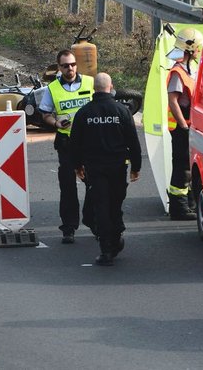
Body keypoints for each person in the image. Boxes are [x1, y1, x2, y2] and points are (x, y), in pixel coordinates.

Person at [69, 73, 143, 266]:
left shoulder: (84, 112)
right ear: (111, 87)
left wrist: (77, 166)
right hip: (118, 167)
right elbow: (133, 142)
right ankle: (116, 238)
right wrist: (136, 167)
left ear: (94, 89)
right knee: (115, 205)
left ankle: (106, 250)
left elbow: (74, 143)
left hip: (96, 169)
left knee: (101, 207)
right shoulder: (122, 111)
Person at [39, 49, 93, 243]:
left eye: (72, 64)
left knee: (93, 183)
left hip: (89, 142)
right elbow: (45, 114)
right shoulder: (52, 88)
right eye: (65, 66)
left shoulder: (89, 82)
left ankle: (93, 222)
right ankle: (69, 228)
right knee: (68, 186)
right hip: (66, 143)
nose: (70, 68)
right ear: (59, 68)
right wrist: (55, 122)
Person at [165, 27, 203, 220]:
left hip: (190, 125)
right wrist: (183, 126)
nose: (199, 51)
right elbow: (173, 101)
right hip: (182, 127)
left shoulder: (191, 70)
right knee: (182, 167)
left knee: (189, 166)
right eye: (197, 48)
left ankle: (189, 203)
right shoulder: (177, 73)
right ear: (190, 49)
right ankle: (178, 208)